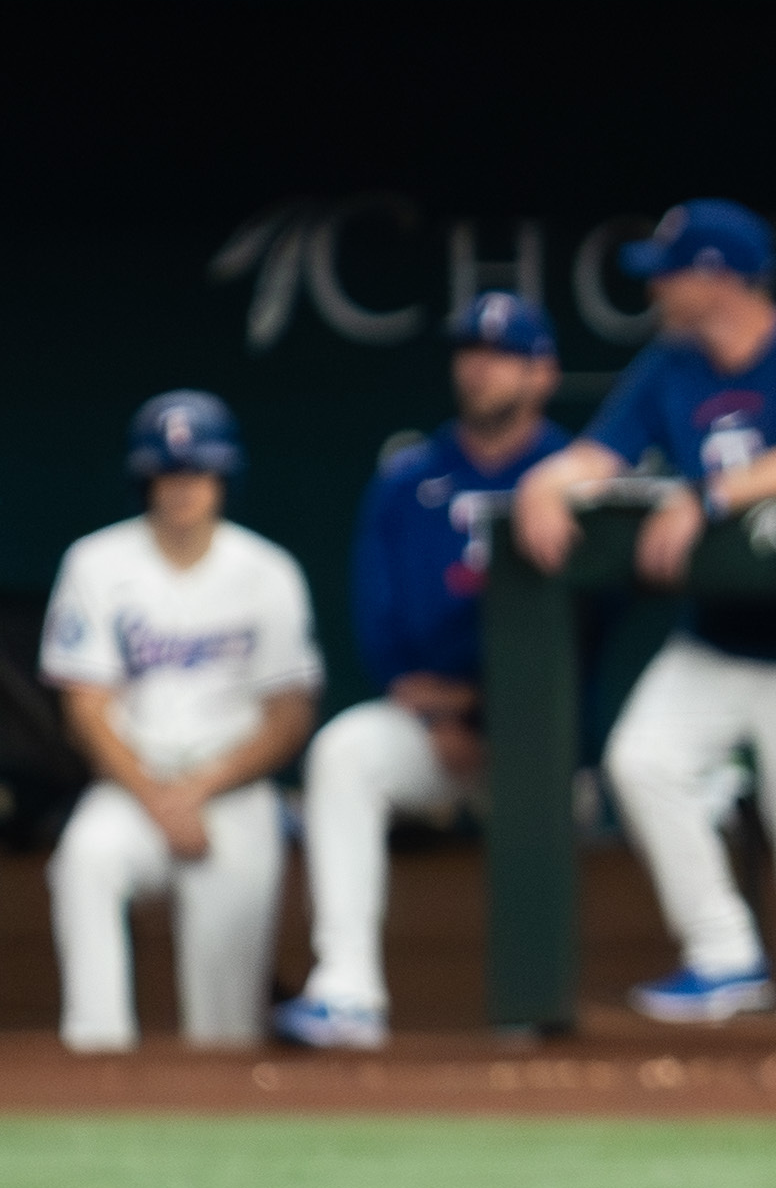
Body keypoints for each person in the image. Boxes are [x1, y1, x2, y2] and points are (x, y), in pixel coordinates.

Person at [512, 198, 776, 1027]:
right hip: (716, 637)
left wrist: (708, 496)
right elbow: (596, 456)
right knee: (642, 761)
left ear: (717, 278)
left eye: (669, 273)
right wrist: (543, 481)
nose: (656, 289)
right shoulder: (670, 365)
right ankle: (723, 953)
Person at [274, 291, 568, 1052]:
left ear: (542, 373)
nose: (480, 369)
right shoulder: (410, 478)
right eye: (470, 352)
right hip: (430, 728)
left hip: (544, 732)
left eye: (502, 355)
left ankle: (536, 1007)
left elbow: (592, 629)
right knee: (345, 752)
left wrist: (484, 708)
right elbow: (380, 624)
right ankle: (346, 991)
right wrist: (444, 715)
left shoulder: (574, 475)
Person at [42, 392, 321, 1054]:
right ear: (144, 480)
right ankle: (97, 1053)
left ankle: (220, 1079)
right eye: (167, 473)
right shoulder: (95, 562)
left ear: (222, 477)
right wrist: (158, 797)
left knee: (225, 1031)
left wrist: (198, 790)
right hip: (134, 786)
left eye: (197, 471)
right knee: (85, 858)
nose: (182, 487)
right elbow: (85, 706)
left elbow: (290, 715)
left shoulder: (267, 571)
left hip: (232, 790)